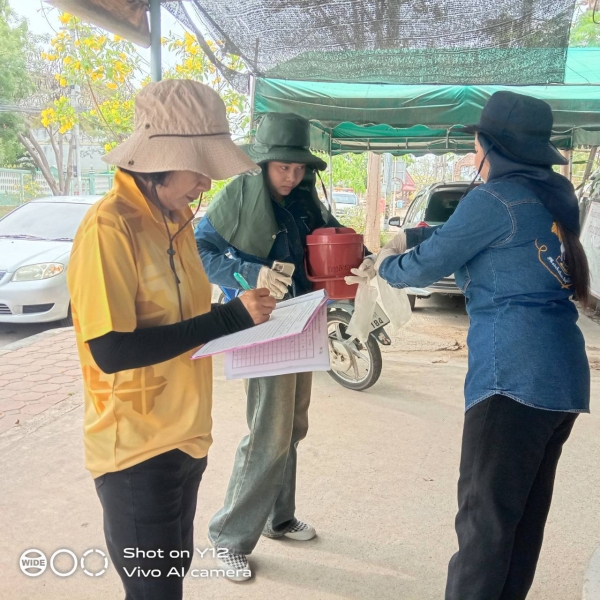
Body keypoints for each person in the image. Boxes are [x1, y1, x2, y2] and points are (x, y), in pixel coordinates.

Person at [372, 91, 590, 599]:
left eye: (476, 144)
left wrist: (384, 263)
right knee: (520, 521)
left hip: (513, 376)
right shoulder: (552, 196)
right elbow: (459, 235)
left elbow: (424, 267)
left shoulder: (494, 198)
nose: (474, 154)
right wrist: (411, 236)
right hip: (561, 377)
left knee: (483, 526)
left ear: (492, 146)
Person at [67, 79, 276, 600]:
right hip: (136, 450)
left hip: (187, 434)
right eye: (198, 167)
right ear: (157, 160)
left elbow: (184, 319)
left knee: (172, 574)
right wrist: (227, 320)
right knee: (154, 590)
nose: (206, 183)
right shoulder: (109, 227)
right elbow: (111, 350)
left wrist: (240, 321)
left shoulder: (177, 217)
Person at [195, 112, 342, 580]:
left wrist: (361, 257)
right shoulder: (238, 195)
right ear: (262, 163)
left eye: (299, 167)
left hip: (303, 320)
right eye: (282, 166)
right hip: (261, 325)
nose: (291, 175)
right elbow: (200, 251)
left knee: (292, 426)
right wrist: (249, 272)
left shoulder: (305, 200)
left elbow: (334, 237)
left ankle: (279, 517)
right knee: (268, 433)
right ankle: (228, 537)